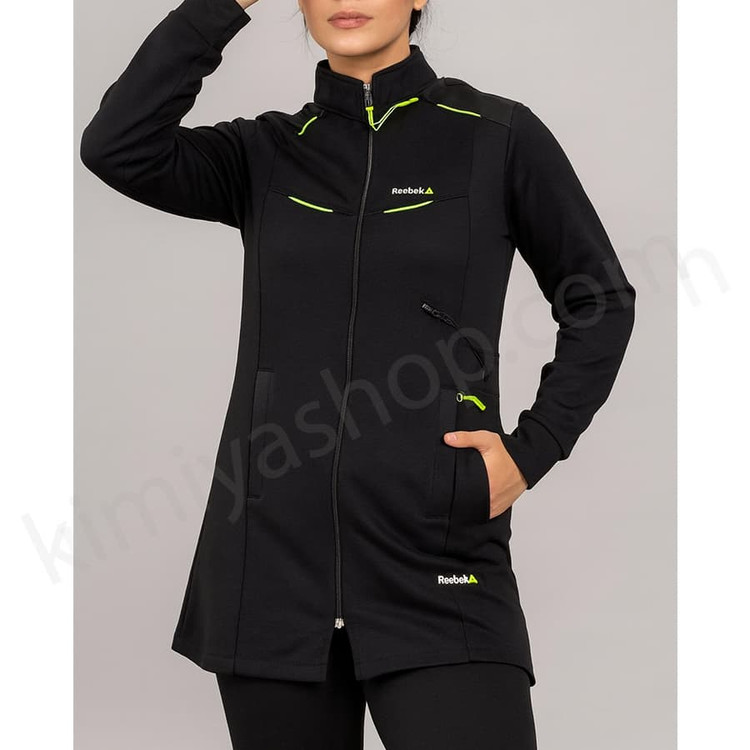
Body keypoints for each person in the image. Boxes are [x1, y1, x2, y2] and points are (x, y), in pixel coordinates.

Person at [80, 0, 636, 747]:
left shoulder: (495, 137)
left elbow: (600, 299)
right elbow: (118, 146)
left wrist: (531, 450)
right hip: (269, 565)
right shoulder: (266, 154)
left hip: (435, 556)